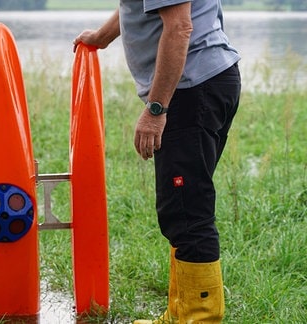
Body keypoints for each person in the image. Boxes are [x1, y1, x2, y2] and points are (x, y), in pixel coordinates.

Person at [73, 0, 241, 322]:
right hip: (206, 83)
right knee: (183, 207)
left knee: (188, 213)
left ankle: (198, 317)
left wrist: (156, 110)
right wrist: (102, 36)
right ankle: (181, 313)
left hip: (190, 91)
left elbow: (179, 27)